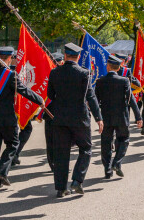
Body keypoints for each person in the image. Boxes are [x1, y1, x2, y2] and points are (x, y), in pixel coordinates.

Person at [0, 46, 45, 191]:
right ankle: (2, 171)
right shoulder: (10, 75)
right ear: (10, 58)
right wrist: (40, 99)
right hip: (6, 118)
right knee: (13, 144)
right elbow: (24, 90)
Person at [48, 43, 103, 197]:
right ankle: (77, 181)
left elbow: (50, 95)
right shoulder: (84, 73)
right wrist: (99, 118)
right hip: (79, 118)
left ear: (65, 55)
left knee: (61, 154)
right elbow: (90, 97)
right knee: (85, 149)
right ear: (78, 57)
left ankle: (60, 188)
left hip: (60, 118)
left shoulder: (54, 72)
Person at [95, 55, 142, 179]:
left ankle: (107, 170)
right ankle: (117, 162)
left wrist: (96, 117)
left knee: (106, 143)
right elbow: (131, 99)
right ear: (118, 67)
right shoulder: (124, 81)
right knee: (124, 139)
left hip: (106, 118)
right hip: (122, 117)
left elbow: (95, 100)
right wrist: (138, 117)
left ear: (108, 66)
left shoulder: (100, 81)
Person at [43, 53, 64, 172]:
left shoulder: (53, 74)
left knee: (51, 141)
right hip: (57, 112)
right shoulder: (60, 74)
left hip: (51, 112)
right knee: (57, 140)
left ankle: (53, 164)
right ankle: (56, 164)